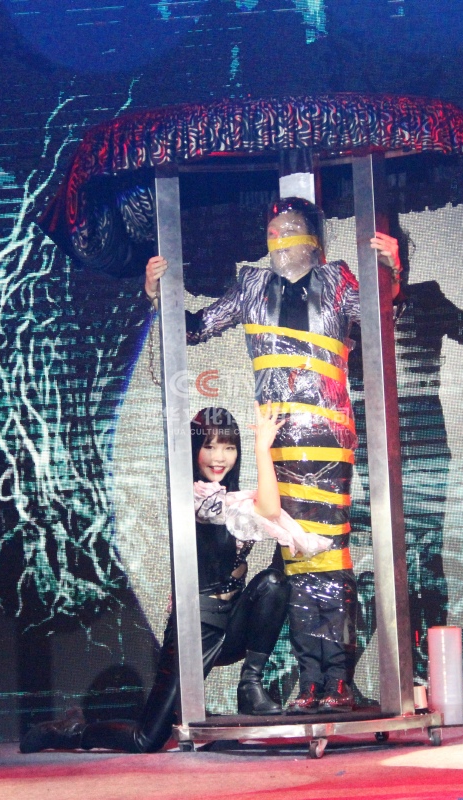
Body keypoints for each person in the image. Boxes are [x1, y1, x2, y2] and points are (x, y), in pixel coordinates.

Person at [144, 197, 401, 713]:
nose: (280, 238)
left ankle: (339, 681)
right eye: (274, 229)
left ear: (314, 237)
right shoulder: (251, 286)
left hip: (327, 436)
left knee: (331, 555)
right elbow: (194, 327)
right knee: (297, 560)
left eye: (291, 227)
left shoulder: (338, 281)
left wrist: (391, 272)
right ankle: (311, 683)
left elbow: (379, 315)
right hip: (279, 440)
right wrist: (156, 294)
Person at [20, 405, 325, 753]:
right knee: (147, 739)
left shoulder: (236, 498)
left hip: (233, 624)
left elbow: (268, 509)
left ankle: (250, 686)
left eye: (228, 447)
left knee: (273, 583)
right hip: (196, 629)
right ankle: (71, 731)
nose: (219, 457)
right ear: (194, 450)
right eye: (209, 446)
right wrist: (262, 448)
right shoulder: (194, 496)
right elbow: (268, 510)